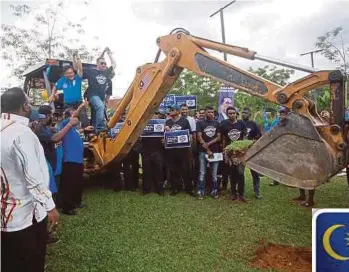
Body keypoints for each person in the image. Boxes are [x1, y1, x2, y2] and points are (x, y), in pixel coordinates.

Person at [1, 87, 59, 272]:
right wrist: (49, 207)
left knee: (8, 262)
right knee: (30, 263)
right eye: (29, 101)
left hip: (5, 214)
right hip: (26, 216)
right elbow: (33, 177)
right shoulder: (21, 133)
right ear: (25, 106)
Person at [59, 101, 93, 215]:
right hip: (70, 161)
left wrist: (84, 129)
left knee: (78, 183)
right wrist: (81, 106)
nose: (77, 117)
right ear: (69, 116)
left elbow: (76, 131)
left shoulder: (72, 129)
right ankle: (67, 208)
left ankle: (77, 202)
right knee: (70, 185)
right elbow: (75, 116)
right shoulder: (65, 124)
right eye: (73, 114)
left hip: (78, 161)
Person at [49, 55, 89, 128]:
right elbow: (55, 87)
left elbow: (80, 69)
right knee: (69, 119)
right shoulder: (62, 80)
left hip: (79, 103)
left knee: (83, 116)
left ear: (73, 72)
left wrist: (77, 57)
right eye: (68, 73)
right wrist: (52, 94)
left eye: (71, 72)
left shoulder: (78, 78)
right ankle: (69, 134)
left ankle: (88, 134)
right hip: (68, 105)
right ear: (65, 74)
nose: (70, 74)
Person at [82, 47, 115, 133]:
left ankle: (93, 131)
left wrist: (109, 54)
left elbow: (114, 64)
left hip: (100, 98)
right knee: (100, 107)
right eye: (102, 63)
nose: (104, 65)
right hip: (92, 95)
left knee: (97, 112)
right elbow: (79, 69)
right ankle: (100, 128)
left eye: (105, 63)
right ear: (97, 64)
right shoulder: (91, 71)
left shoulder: (106, 73)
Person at [165, 104, 194, 196]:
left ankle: (189, 188)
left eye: (172, 109)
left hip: (183, 150)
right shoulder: (167, 122)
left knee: (185, 169)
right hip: (171, 150)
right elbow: (164, 136)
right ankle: (176, 188)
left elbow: (189, 134)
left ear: (178, 111)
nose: (170, 111)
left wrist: (190, 140)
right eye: (170, 110)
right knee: (173, 170)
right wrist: (166, 132)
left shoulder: (184, 121)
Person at [220, 106, 247, 202]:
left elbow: (244, 137)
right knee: (232, 174)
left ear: (236, 113)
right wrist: (225, 150)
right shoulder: (224, 124)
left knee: (240, 173)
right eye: (230, 113)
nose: (232, 115)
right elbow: (223, 138)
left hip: (240, 153)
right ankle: (233, 193)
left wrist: (243, 149)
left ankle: (241, 194)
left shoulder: (241, 123)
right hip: (230, 153)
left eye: (233, 113)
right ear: (227, 114)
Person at [196, 106, 221, 199]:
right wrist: (207, 149)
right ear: (205, 113)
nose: (211, 114)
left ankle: (214, 191)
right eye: (209, 112)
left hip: (215, 152)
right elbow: (199, 137)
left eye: (212, 112)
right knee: (202, 172)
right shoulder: (199, 123)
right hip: (203, 152)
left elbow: (218, 137)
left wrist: (208, 144)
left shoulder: (217, 124)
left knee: (214, 173)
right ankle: (200, 191)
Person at [241, 107, 263, 199]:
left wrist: (253, 141)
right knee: (240, 173)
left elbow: (259, 135)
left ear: (249, 115)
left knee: (255, 173)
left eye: (246, 113)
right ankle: (240, 192)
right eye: (243, 113)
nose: (244, 114)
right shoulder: (239, 123)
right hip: (240, 151)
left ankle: (257, 192)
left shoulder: (253, 124)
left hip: (252, 151)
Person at [141, 112, 165, 195]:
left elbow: (165, 137)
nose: (153, 115)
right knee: (146, 171)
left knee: (159, 170)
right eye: (152, 114)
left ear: (158, 116)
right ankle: (146, 189)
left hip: (157, 151)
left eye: (156, 114)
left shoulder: (161, 124)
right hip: (146, 150)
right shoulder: (143, 125)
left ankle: (159, 189)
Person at [263, 106, 288, 186]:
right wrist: (266, 123)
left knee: (287, 162)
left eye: (284, 113)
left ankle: (287, 181)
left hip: (287, 145)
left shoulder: (290, 122)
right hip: (276, 144)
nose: (282, 115)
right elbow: (270, 131)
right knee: (275, 162)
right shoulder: (276, 122)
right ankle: (275, 180)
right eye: (281, 113)